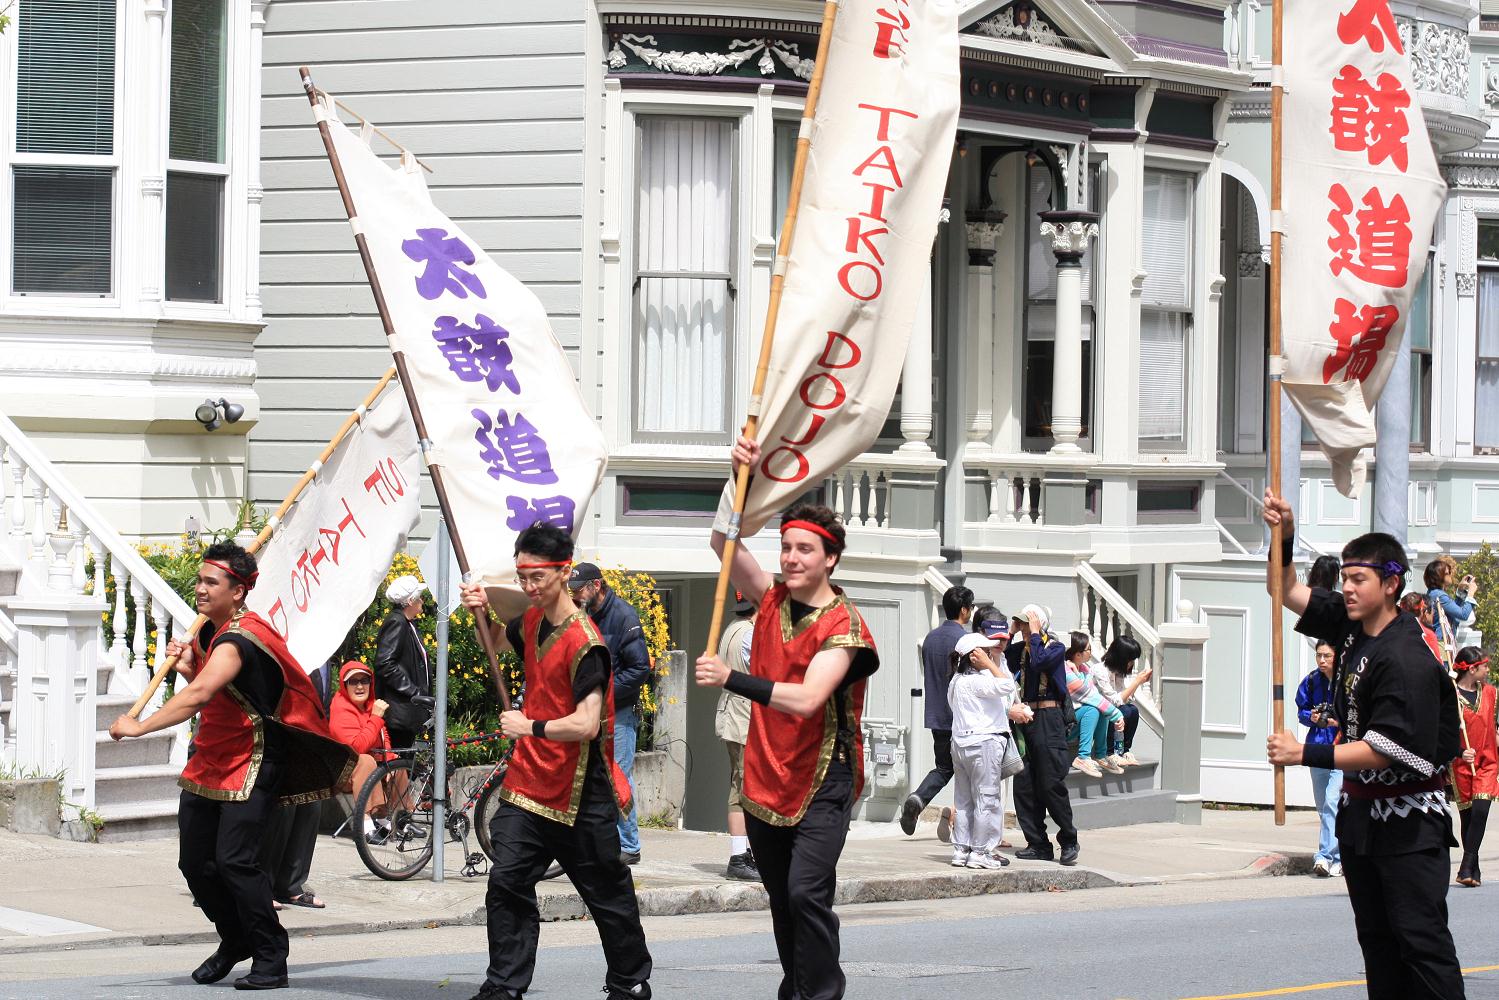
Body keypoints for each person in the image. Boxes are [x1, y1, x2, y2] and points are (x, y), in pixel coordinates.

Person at [107, 542, 354, 991]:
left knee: (236, 861)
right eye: (200, 580)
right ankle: (235, 939)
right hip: (211, 758)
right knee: (196, 864)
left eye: (210, 583)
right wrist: (187, 668)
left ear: (238, 592)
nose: (200, 589)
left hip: (253, 759)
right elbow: (216, 693)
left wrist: (139, 726)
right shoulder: (211, 633)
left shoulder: (240, 638)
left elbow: (201, 696)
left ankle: (270, 953)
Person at [695, 435, 879, 1000]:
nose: (793, 558)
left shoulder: (845, 625)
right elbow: (720, 541)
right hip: (766, 773)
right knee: (781, 898)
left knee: (805, 893)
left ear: (830, 559)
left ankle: (821, 992)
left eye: (805, 550)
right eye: (787, 548)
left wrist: (732, 679)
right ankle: (796, 988)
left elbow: (805, 698)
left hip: (825, 779)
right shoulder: (771, 601)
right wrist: (737, 478)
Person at [1263, 491, 1466, 1000]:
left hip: (1410, 825)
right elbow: (1283, 589)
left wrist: (1302, 752)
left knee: (1421, 945)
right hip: (1361, 821)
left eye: (1359, 580)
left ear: (1390, 584)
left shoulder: (1407, 655)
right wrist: (1284, 533)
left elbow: (1386, 748)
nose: (1347, 589)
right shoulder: (1350, 624)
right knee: (1376, 944)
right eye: (1346, 579)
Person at [460, 523, 651, 1000]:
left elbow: (587, 723)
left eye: (537, 577)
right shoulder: (531, 620)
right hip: (528, 783)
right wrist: (481, 609)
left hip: (579, 788)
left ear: (564, 572)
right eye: (523, 576)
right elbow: (500, 642)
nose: (528, 586)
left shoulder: (588, 644)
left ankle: (630, 979)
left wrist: (530, 727)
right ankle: (504, 985)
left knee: (606, 891)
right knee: (506, 881)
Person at [570, 562, 653, 866]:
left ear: (596, 585)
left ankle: (629, 845)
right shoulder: (583, 615)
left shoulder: (623, 616)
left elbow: (640, 668)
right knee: (593, 778)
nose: (575, 595)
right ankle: (604, 841)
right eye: (573, 591)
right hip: (592, 713)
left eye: (579, 590)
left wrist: (602, 693)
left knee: (617, 776)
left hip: (618, 714)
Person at [1006, 603, 1079, 866]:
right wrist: (1011, 631)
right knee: (1024, 784)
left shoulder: (1054, 648)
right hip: (1027, 718)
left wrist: (1035, 634)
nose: (1025, 628)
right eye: (1023, 624)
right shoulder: (1021, 649)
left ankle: (1069, 840)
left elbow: (1039, 662)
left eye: (1028, 623)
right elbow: (1001, 656)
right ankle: (1037, 843)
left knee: (1050, 784)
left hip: (1049, 720)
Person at [900, 585, 974, 836]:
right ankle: (965, 828)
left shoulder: (930, 638)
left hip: (937, 716)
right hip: (964, 718)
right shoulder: (964, 640)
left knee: (943, 768)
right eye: (970, 607)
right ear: (964, 610)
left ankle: (919, 799)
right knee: (972, 774)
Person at [945, 631, 1015, 870]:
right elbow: (1008, 685)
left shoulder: (956, 681)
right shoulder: (977, 681)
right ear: (974, 657)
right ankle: (980, 853)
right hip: (983, 743)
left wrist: (987, 663)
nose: (989, 654)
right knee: (986, 799)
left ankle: (961, 850)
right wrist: (989, 665)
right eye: (984, 652)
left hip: (960, 743)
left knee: (963, 801)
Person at [714, 591, 760, 881]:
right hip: (745, 716)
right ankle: (740, 856)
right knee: (747, 788)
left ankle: (745, 853)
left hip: (730, 712)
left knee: (740, 785)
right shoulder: (751, 635)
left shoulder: (731, 630)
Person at [328, 660, 395, 843]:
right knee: (365, 760)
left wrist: (390, 758)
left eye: (364, 681)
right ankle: (364, 822)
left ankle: (395, 818)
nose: (359, 686)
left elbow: (384, 737)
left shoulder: (371, 705)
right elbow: (356, 749)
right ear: (344, 685)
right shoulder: (341, 709)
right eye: (353, 682)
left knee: (397, 763)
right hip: (344, 773)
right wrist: (375, 717)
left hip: (369, 771)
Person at [1296, 640, 1343, 879]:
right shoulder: (1311, 681)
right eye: (1318, 656)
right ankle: (1339, 856)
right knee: (1323, 806)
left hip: (1341, 750)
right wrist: (1311, 717)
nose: (1322, 660)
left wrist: (1338, 722)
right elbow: (1301, 711)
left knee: (1333, 802)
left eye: (1327, 656)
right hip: (1317, 748)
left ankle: (1324, 856)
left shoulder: (1346, 682)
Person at [1452, 646, 1497, 888]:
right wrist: (1460, 751)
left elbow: (1493, 728)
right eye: (1484, 666)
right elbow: (1443, 733)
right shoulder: (1450, 696)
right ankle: (1473, 871)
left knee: (1480, 812)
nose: (1488, 669)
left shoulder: (1490, 693)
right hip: (1461, 763)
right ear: (1472, 669)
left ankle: (1466, 864)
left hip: (1488, 763)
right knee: (1468, 819)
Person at [374, 574, 435, 751]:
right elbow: (385, 663)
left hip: (406, 711)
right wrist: (413, 691)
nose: (422, 601)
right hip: (399, 713)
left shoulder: (408, 624)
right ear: (410, 601)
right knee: (399, 764)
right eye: (419, 597)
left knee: (404, 764)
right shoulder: (397, 622)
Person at [1064, 632, 1126, 777]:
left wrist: (1112, 714)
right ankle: (1083, 757)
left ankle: (1100, 755)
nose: (1091, 652)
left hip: (1075, 721)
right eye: (1088, 649)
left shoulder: (1084, 670)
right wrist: (1116, 714)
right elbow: (1086, 695)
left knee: (1100, 709)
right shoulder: (1065, 670)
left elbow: (1094, 696)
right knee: (1092, 710)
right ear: (1078, 654)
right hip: (1063, 724)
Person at [1093, 635, 1157, 767]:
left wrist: (1139, 682)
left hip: (1112, 712)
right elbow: (1115, 701)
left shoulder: (1119, 673)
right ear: (1121, 658)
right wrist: (1137, 681)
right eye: (1130, 660)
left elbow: (1126, 699)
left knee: (1132, 710)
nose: (1132, 664)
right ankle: (1111, 752)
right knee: (1124, 711)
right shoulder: (1100, 670)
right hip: (1098, 714)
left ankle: (1122, 750)